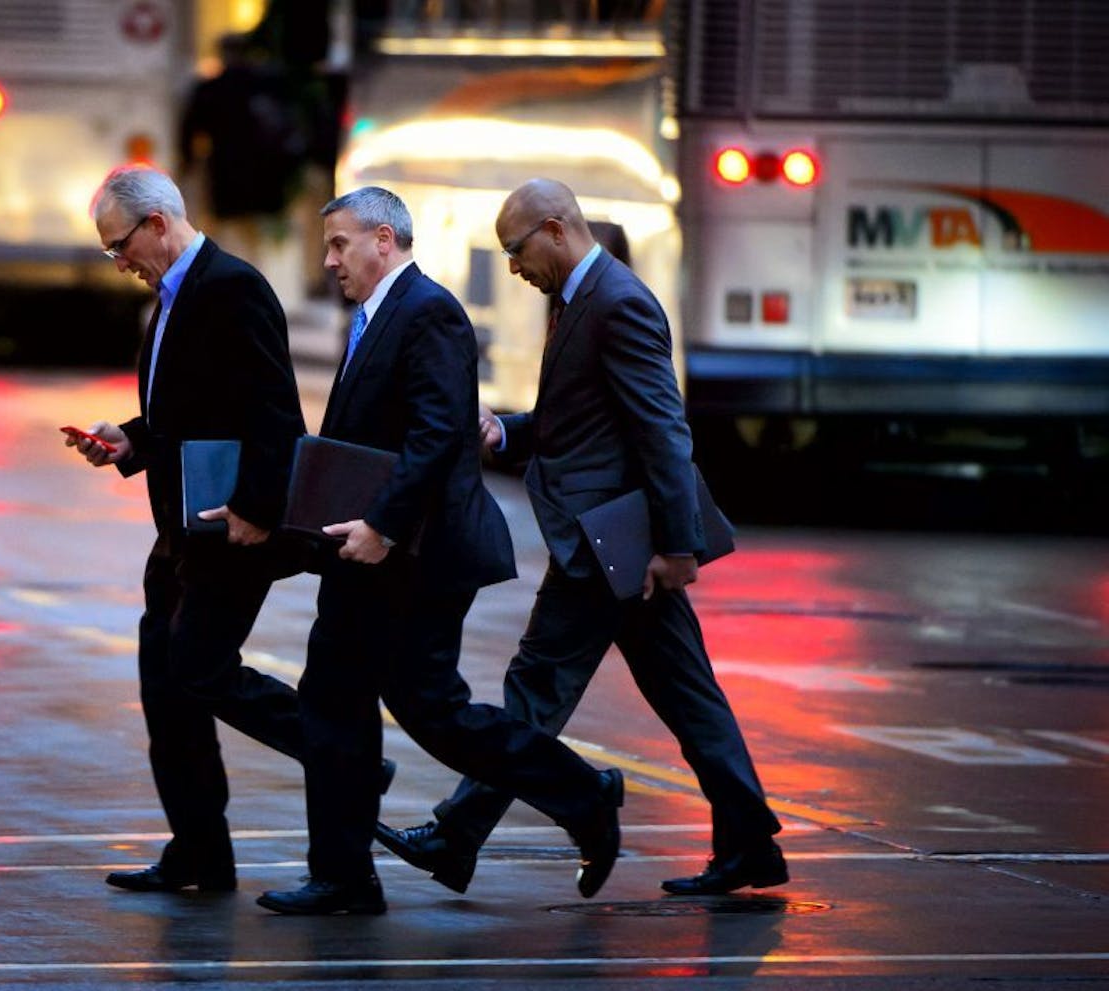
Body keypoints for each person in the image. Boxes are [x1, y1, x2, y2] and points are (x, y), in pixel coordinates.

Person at [375, 178, 788, 897]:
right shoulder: (577, 300)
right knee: (686, 694)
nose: (512, 267)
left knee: (537, 686)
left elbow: (662, 430)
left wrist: (679, 546)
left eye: (517, 248)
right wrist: (509, 430)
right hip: (613, 542)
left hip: (613, 546)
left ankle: (462, 832)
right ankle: (749, 840)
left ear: (557, 229)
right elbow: (579, 422)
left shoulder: (618, 303)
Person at [255, 186, 624, 916]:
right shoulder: (373, 316)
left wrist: (382, 525)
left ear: (384, 239)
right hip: (366, 554)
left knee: (434, 710)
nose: (329, 260)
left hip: (419, 555)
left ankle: (584, 792)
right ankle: (343, 874)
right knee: (331, 699)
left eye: (339, 244)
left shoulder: (430, 314)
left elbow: (436, 438)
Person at [64, 165, 317, 895]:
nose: (120, 263)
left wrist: (258, 510)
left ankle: (334, 741)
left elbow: (274, 415)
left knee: (199, 668)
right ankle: (200, 851)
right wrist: (131, 440)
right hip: (181, 531)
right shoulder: (174, 296)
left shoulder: (231, 287)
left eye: (120, 247)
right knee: (167, 691)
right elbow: (192, 414)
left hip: (233, 528)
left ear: (157, 224)